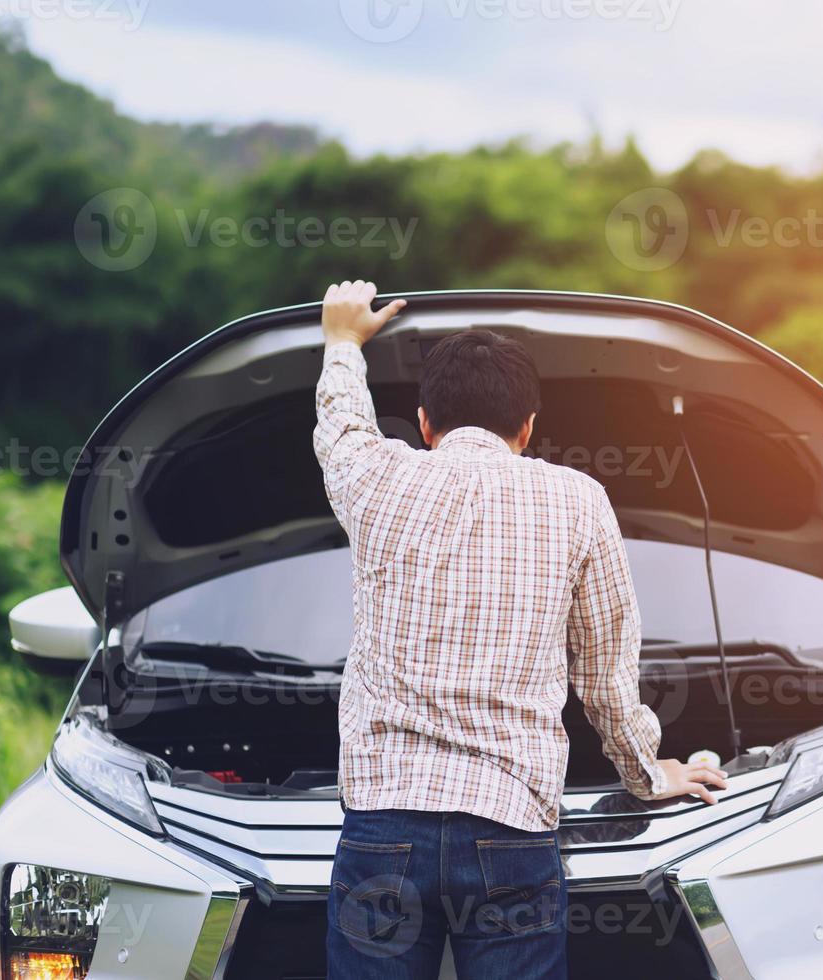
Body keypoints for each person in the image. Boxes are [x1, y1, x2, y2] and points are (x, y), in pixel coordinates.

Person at [312, 281, 727, 978]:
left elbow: (343, 427)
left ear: (422, 422)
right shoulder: (578, 501)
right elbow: (604, 675)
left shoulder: (380, 477)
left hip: (383, 828)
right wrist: (649, 773)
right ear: (527, 427)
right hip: (510, 831)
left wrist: (341, 344)